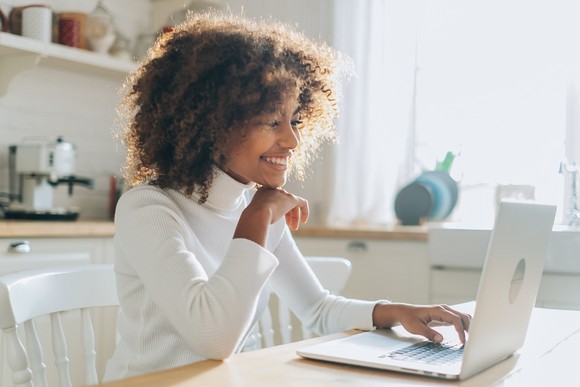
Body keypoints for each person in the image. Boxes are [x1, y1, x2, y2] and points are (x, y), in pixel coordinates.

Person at [104, 11, 471, 382]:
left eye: (295, 120)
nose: (293, 139)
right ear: (214, 124)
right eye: (271, 121)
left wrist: (397, 312)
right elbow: (213, 336)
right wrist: (257, 218)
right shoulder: (149, 209)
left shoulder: (258, 207)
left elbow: (318, 308)